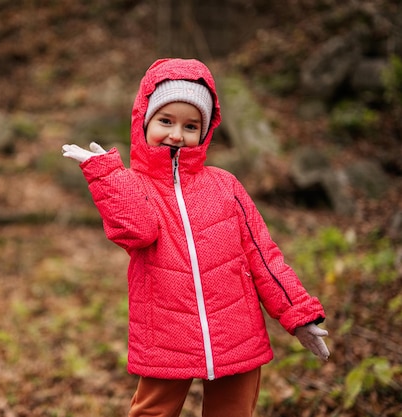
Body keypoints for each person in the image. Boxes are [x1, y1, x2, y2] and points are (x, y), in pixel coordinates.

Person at [61, 58, 329, 417]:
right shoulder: (133, 185)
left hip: (237, 331)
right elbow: (138, 231)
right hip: (165, 334)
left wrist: (298, 315)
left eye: (190, 125)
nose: (176, 134)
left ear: (205, 132)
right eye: (165, 121)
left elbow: (264, 256)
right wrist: (107, 176)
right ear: (144, 121)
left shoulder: (225, 185)